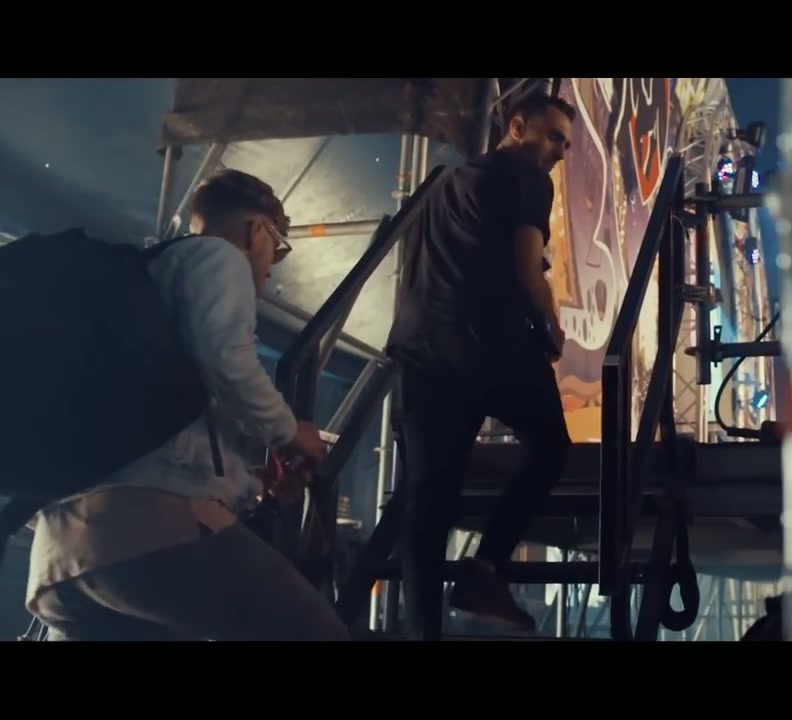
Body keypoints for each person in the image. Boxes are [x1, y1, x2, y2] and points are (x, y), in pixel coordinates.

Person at [25, 168, 349, 641]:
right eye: (278, 249)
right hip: (149, 529)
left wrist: (246, 477)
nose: (270, 269)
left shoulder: (149, 284)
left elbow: (175, 418)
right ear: (257, 232)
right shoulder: (220, 257)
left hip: (65, 550)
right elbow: (228, 360)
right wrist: (289, 432)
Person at [386, 92, 575, 637]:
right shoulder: (527, 178)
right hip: (488, 347)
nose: (560, 151)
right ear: (516, 127)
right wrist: (550, 328)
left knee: (428, 500)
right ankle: (485, 570)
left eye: (565, 142)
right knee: (550, 449)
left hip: (422, 351)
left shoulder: (444, 185)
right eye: (554, 136)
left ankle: (423, 631)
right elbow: (527, 269)